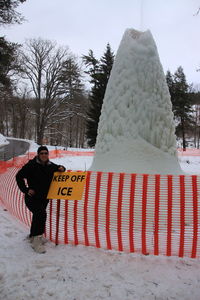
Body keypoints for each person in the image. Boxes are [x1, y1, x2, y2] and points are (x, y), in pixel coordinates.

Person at [16, 146, 66, 254]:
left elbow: (60, 168)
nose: (44, 155)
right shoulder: (31, 165)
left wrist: (62, 168)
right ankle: (37, 241)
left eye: (46, 153)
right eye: (42, 153)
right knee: (41, 214)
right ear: (38, 154)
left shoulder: (50, 165)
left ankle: (33, 236)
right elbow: (18, 176)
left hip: (44, 198)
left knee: (38, 215)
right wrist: (26, 189)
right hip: (32, 198)